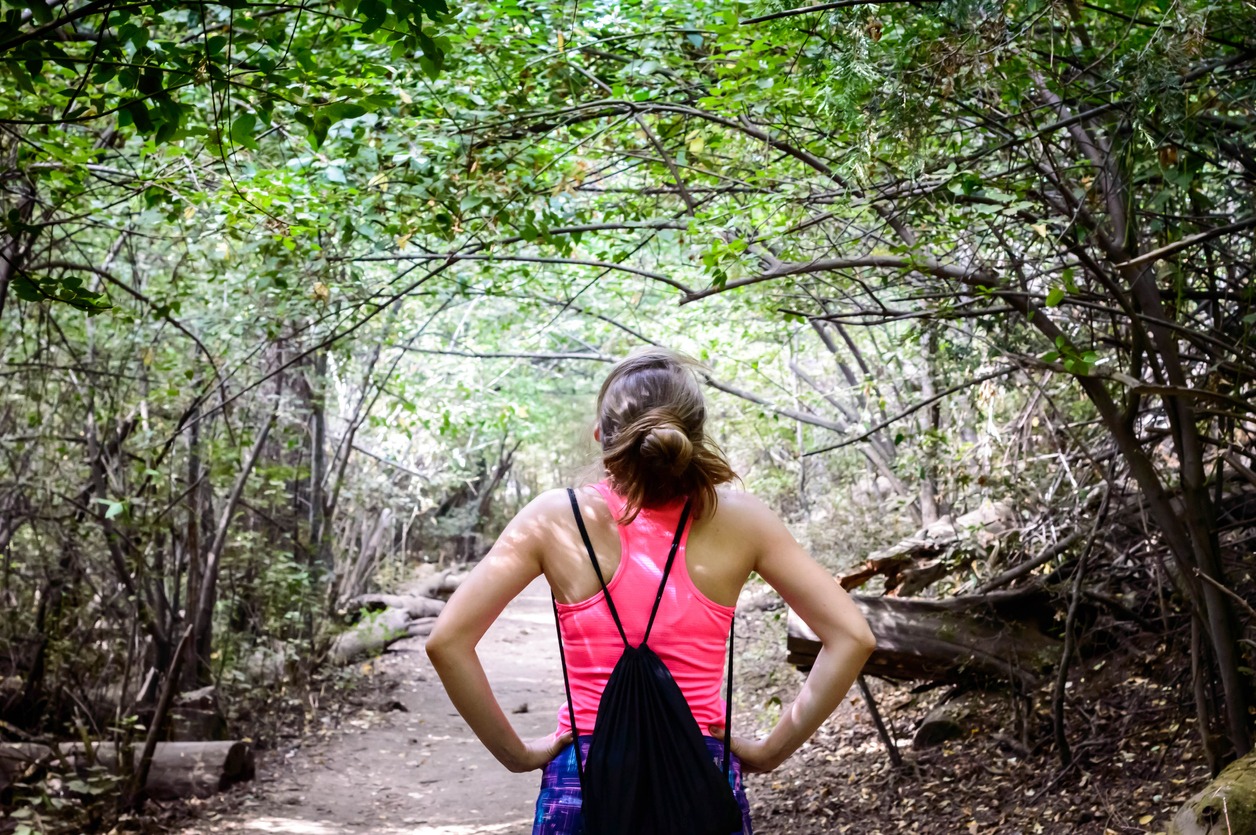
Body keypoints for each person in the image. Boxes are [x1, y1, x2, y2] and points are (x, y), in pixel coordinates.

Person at [426, 348, 876, 834]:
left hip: (584, 777)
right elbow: (853, 637)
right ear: (693, 438)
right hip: (700, 778)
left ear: (601, 437)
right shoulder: (744, 522)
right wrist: (769, 751)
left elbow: (447, 642)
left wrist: (518, 755)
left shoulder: (554, 519)